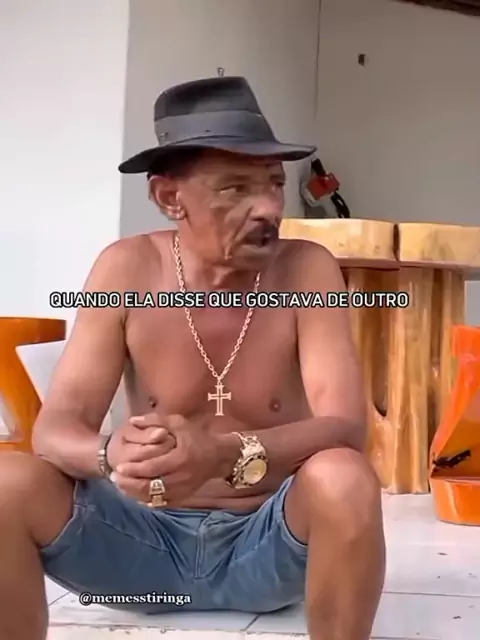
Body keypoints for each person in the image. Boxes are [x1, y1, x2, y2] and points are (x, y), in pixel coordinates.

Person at [0, 77, 385, 640]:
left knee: (345, 478)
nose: (267, 208)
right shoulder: (127, 269)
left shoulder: (307, 269)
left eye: (274, 184)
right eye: (235, 188)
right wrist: (111, 455)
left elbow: (346, 427)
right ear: (169, 198)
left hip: (267, 550)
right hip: (139, 551)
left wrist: (223, 453)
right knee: (6, 482)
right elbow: (56, 430)